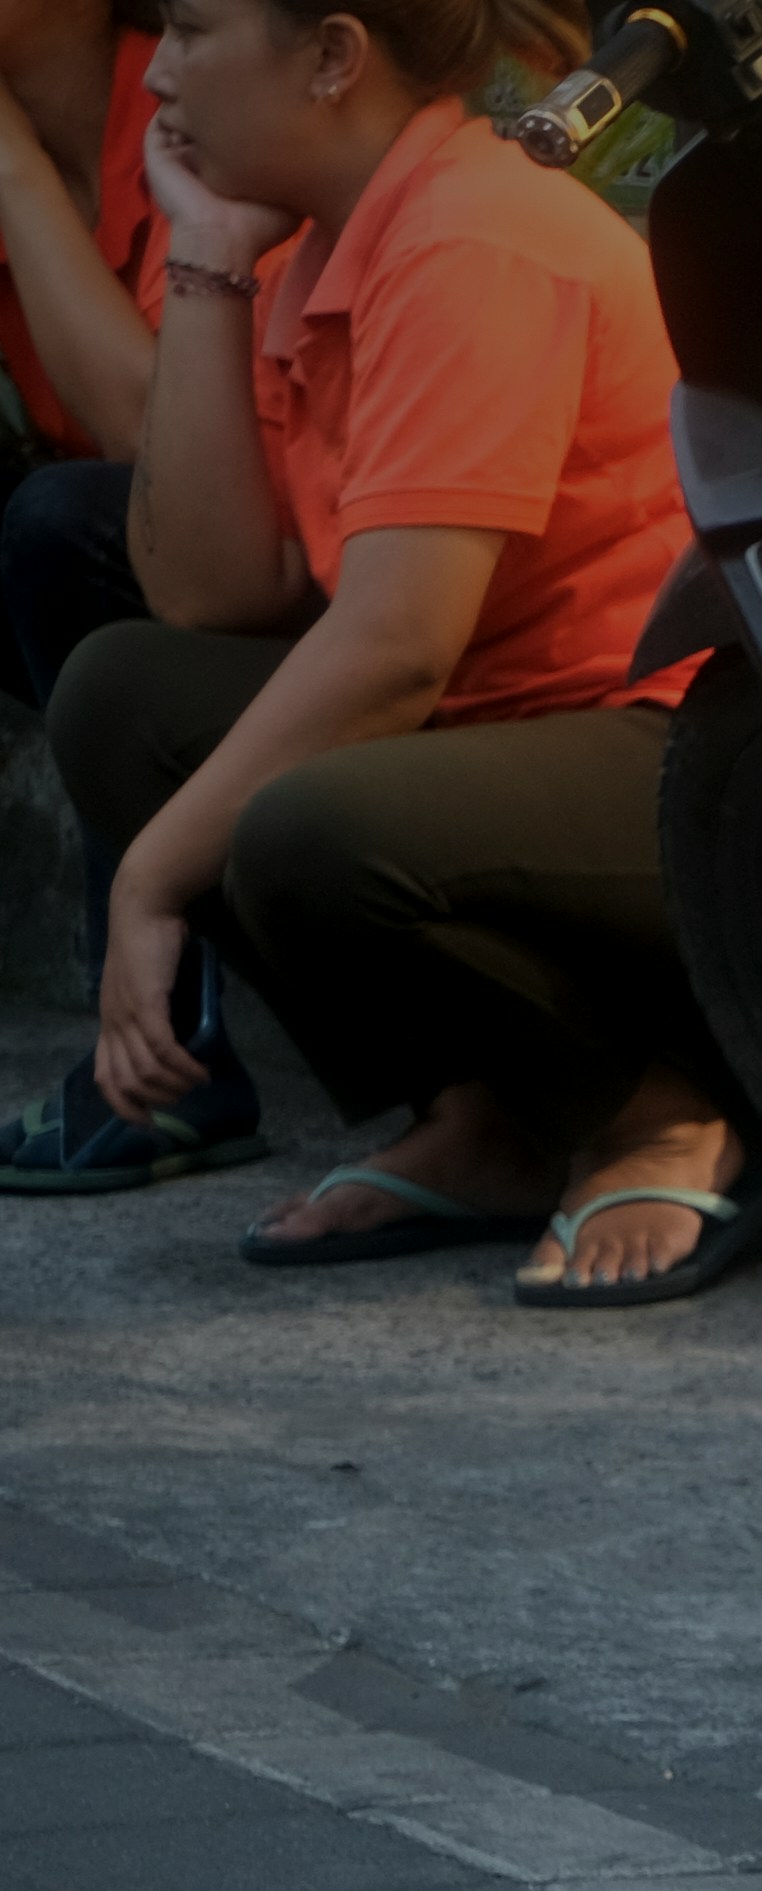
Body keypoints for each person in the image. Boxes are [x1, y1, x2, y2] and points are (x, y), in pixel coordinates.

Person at [29, 0, 761, 1300]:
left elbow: (394, 651)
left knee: (301, 824)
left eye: (195, 32)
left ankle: (654, 1108)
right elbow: (208, 590)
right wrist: (204, 259)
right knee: (122, 699)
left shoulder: (470, 233)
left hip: (687, 768)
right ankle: (496, 1115)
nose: (165, 76)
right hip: (501, 740)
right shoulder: (322, 240)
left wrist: (146, 880)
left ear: (330, 58)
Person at [0, 0, 225, 1191]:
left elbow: (163, 458)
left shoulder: (205, 89)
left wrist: (6, 164)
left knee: (66, 524)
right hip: (113, 561)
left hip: (271, 571)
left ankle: (167, 1052)